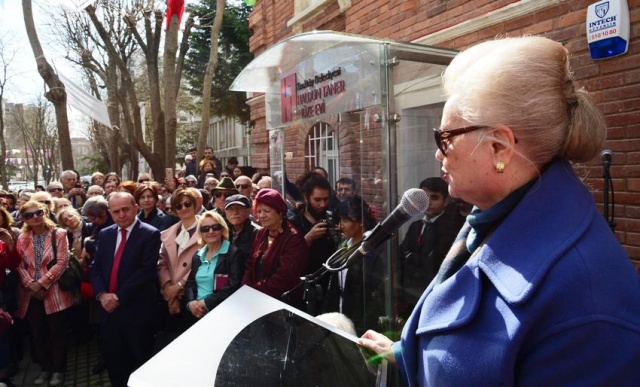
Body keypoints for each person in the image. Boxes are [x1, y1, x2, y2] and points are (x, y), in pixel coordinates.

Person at [358, 36, 640, 385]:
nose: (438, 154)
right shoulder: (495, 213)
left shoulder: (589, 307)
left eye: (445, 138)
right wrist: (404, 353)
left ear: (499, 147)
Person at [90, 192, 161, 387]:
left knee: (139, 362)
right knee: (115, 363)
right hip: (108, 311)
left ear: (135, 208)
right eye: (116, 211)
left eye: (125, 209)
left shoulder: (150, 234)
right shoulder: (105, 234)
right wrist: (102, 295)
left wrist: (117, 297)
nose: (121, 215)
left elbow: (146, 272)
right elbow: (95, 268)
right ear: (110, 213)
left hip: (135, 311)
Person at [15, 201, 75, 386]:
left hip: (55, 291)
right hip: (30, 294)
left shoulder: (59, 233)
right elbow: (19, 265)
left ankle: (58, 370)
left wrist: (41, 283)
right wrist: (30, 285)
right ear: (24, 219)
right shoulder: (22, 237)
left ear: (45, 212)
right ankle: (45, 368)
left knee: (57, 333)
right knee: (38, 334)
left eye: (38, 212)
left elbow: (62, 262)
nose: (35, 217)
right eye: (29, 215)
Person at [398, 177, 465, 308]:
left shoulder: (452, 229)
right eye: (424, 198)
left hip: (435, 295)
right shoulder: (415, 226)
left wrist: (411, 257)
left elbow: (433, 264)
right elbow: (400, 255)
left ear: (445, 201)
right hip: (410, 291)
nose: (427, 202)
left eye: (434, 198)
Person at [322, 196, 384, 335]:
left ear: (360, 221)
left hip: (362, 322)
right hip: (341, 315)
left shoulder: (374, 249)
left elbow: (374, 296)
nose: (341, 225)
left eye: (345, 220)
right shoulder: (345, 245)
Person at [242, 189, 308, 309]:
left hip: (282, 305)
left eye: (267, 211)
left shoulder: (293, 238)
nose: (262, 215)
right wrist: (245, 288)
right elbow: (250, 264)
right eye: (259, 211)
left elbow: (284, 277)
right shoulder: (262, 233)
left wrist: (253, 291)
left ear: (280, 212)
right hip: (256, 300)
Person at [289, 174, 338, 313]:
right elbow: (289, 259)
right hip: (304, 291)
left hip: (329, 289)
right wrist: (308, 238)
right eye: (317, 200)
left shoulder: (332, 219)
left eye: (326, 199)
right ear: (306, 196)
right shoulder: (294, 223)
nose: (322, 204)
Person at [184, 211, 244, 323]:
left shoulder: (233, 253)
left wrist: (206, 303)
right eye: (205, 229)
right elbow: (190, 284)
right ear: (200, 233)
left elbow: (234, 285)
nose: (210, 231)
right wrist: (191, 303)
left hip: (223, 314)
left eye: (215, 227)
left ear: (222, 229)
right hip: (196, 314)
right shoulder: (197, 255)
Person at [156, 189, 201, 338]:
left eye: (187, 203)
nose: (184, 208)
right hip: (170, 296)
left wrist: (179, 287)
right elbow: (162, 263)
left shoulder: (208, 228)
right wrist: (170, 291)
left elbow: (203, 261)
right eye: (178, 206)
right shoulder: (167, 233)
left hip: (194, 295)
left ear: (195, 204)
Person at [224, 194, 260, 266]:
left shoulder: (257, 233)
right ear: (225, 212)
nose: (235, 212)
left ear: (249, 211)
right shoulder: (222, 232)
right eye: (231, 209)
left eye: (240, 208)